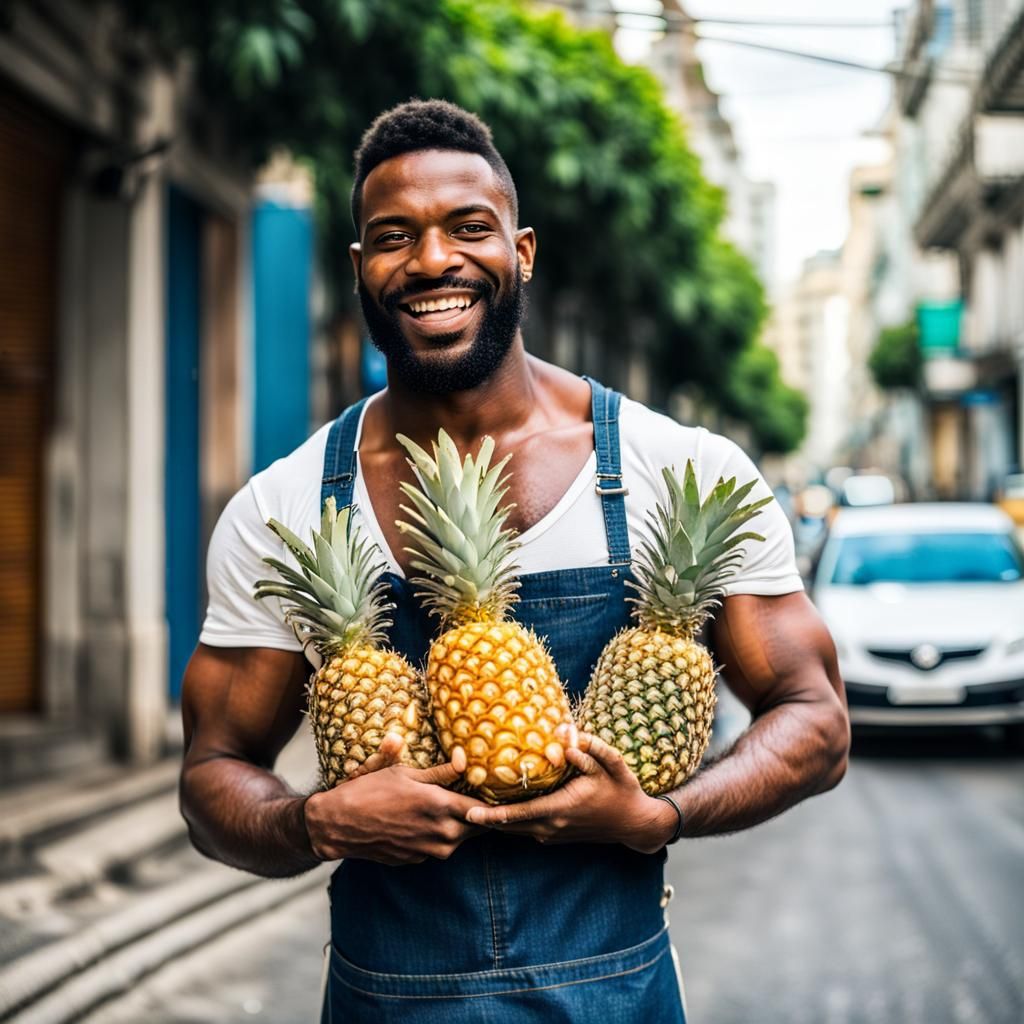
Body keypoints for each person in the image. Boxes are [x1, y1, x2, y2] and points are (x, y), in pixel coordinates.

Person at [181, 99, 849, 1022]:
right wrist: (312, 821)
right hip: (388, 999)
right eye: (392, 236)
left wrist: (668, 814)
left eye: (468, 228)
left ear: (522, 252)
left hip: (616, 993)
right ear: (359, 270)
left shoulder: (676, 468)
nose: (431, 261)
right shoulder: (286, 506)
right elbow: (211, 772)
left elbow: (816, 721)